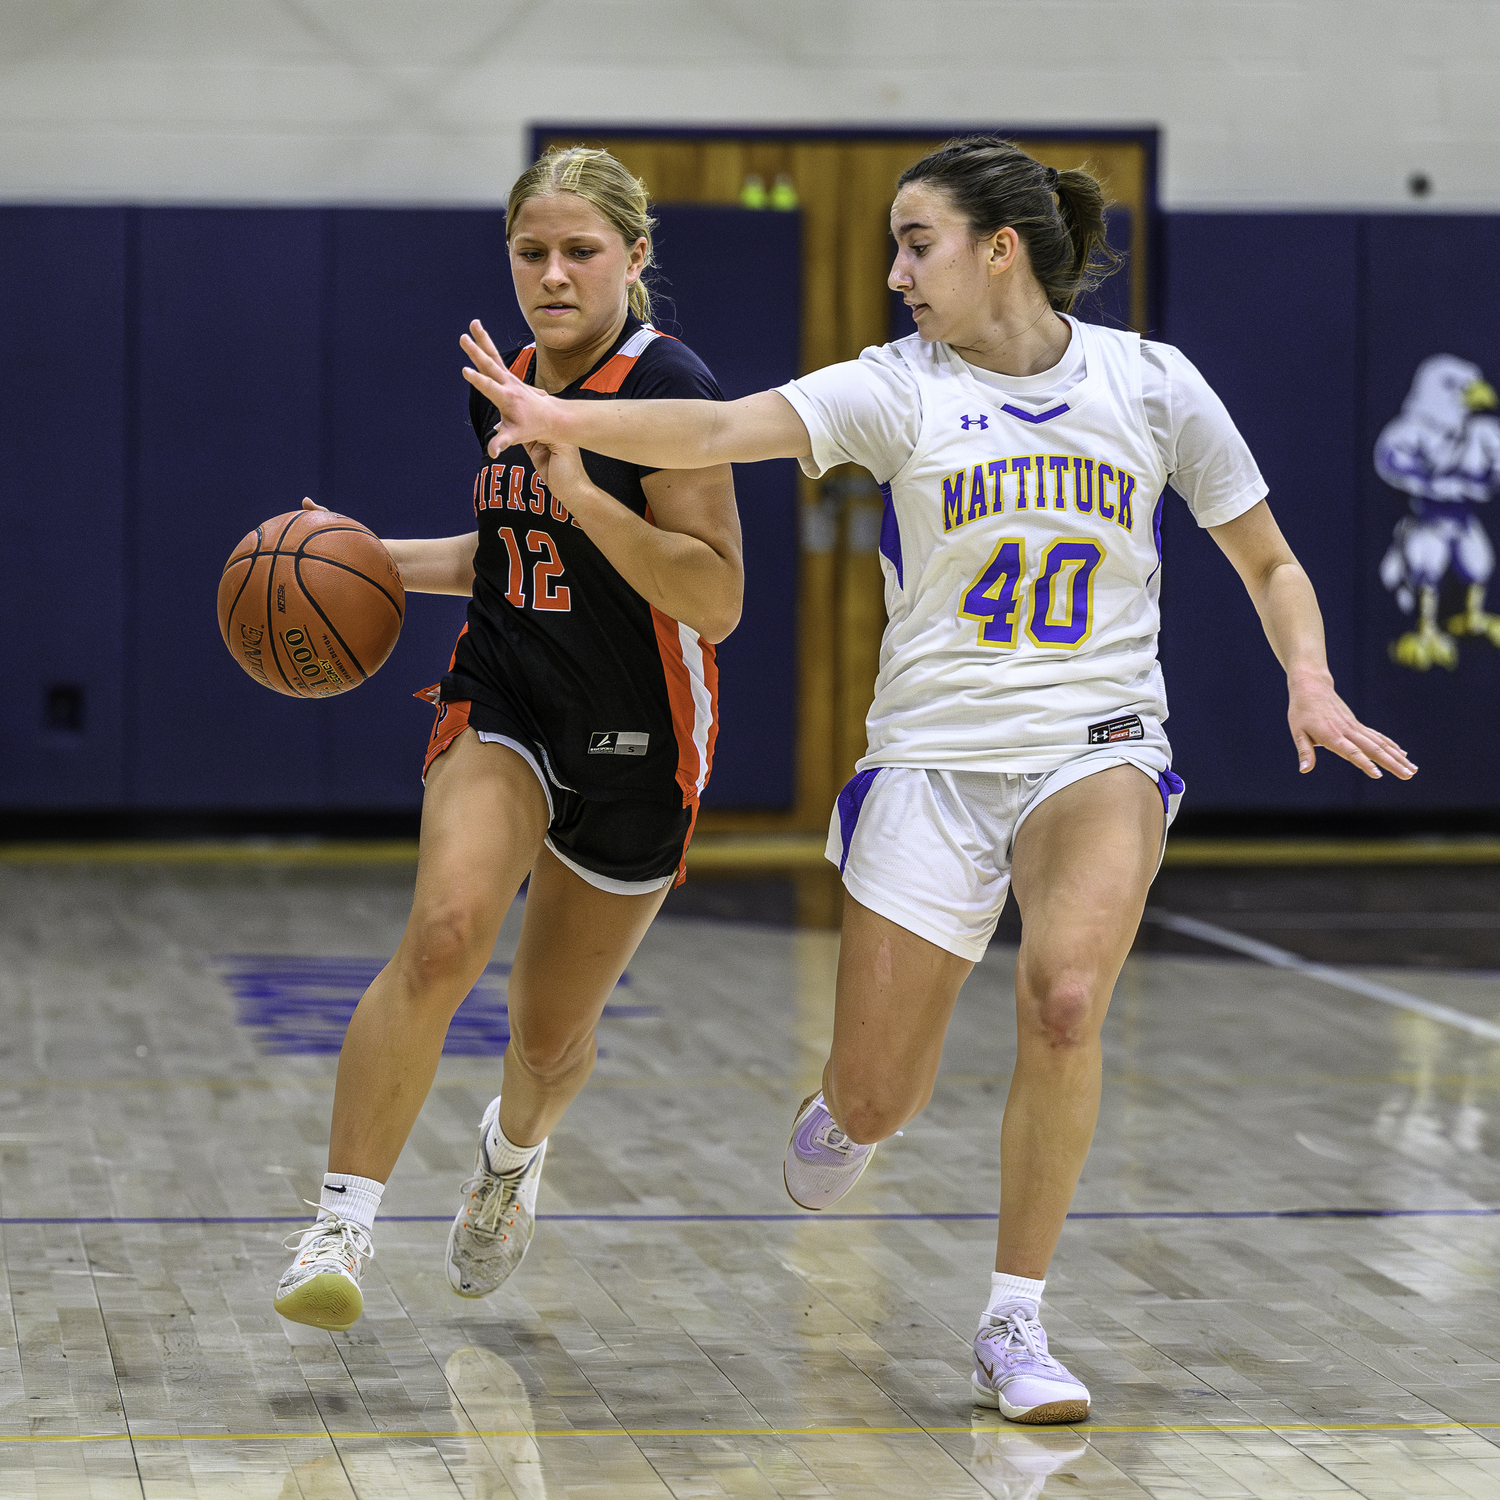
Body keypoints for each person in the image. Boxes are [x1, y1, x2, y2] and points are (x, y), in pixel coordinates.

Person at [459, 136, 1417, 1423]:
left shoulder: (1153, 385)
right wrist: (561, 416)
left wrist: (1308, 676)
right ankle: (846, 1114)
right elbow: (721, 425)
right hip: (930, 758)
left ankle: (1014, 1321)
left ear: (998, 248)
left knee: (1067, 998)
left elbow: (1272, 562)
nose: (899, 273)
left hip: (1100, 742)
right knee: (875, 1092)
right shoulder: (894, 389)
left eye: (918, 245)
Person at [273, 146, 743, 1331]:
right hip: (506, 697)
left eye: (580, 250)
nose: (552, 272)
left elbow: (716, 598)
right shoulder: (503, 376)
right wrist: (362, 563)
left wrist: (586, 486)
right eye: (530, 251)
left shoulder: (667, 386)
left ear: (634, 258)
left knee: (546, 1041)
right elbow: (506, 552)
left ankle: (511, 1157)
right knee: (441, 935)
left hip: (643, 732)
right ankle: (341, 1222)